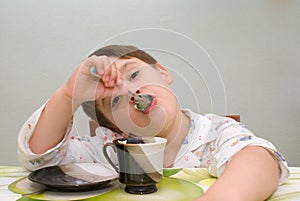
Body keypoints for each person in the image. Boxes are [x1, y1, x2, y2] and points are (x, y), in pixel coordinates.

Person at [18, 45, 289, 200]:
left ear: (163, 73)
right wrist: (68, 96)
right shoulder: (110, 150)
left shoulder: (215, 133)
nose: (132, 93)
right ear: (116, 128)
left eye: (134, 74)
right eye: (115, 102)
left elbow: (258, 158)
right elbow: (43, 161)